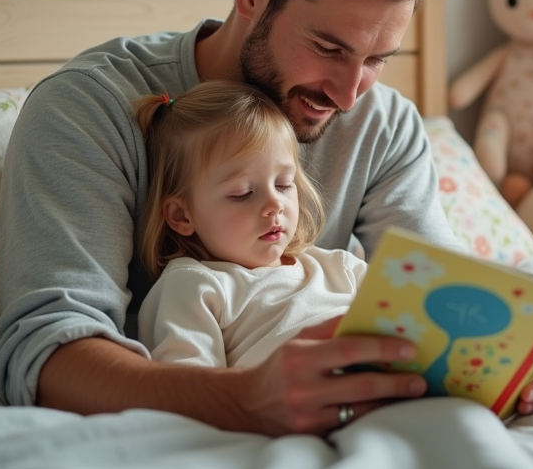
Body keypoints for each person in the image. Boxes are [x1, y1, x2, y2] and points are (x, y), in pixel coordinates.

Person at [0, 0, 533, 436]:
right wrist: (243, 399)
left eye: (378, 59)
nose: (348, 94)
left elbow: (438, 301)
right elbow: (48, 354)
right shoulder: (91, 107)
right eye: (331, 48)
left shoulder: (385, 123)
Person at [134, 81, 366, 373]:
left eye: (284, 185)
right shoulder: (194, 286)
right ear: (181, 216)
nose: (275, 204)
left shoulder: (339, 267)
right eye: (242, 193)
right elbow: (192, 388)